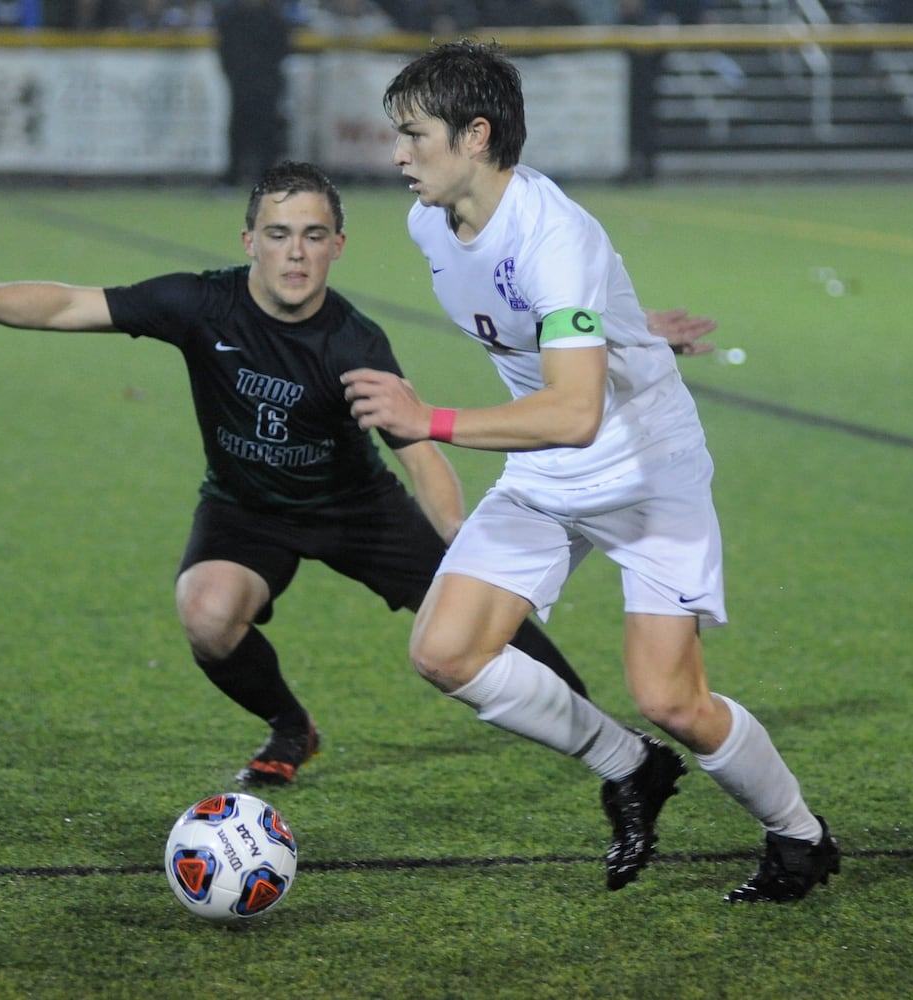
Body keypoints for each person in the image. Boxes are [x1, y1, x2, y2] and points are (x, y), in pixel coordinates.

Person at [0, 161, 615, 791]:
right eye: (278, 234)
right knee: (206, 614)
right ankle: (290, 726)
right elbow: (67, 303)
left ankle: (601, 733)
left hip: (355, 509)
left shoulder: (353, 341)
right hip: (245, 508)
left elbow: (417, 447)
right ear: (250, 242)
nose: (294, 253)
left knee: (484, 621)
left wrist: (455, 530)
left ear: (336, 246)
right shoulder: (199, 304)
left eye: (312, 235)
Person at [342, 40, 840, 903]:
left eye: (413, 134)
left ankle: (801, 837)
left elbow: (575, 412)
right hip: (548, 471)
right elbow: (542, 325)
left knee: (673, 699)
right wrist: (628, 326)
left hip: (646, 470)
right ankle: (632, 769)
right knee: (446, 650)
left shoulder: (555, 235)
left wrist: (432, 422)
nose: (396, 155)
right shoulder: (431, 221)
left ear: (476, 136)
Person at [214, 0, 291, 188]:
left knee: (266, 131)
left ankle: (266, 177)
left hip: (266, 83)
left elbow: (281, 49)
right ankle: (233, 177)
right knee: (238, 129)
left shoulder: (273, 17)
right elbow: (224, 49)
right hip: (240, 83)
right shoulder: (231, 16)